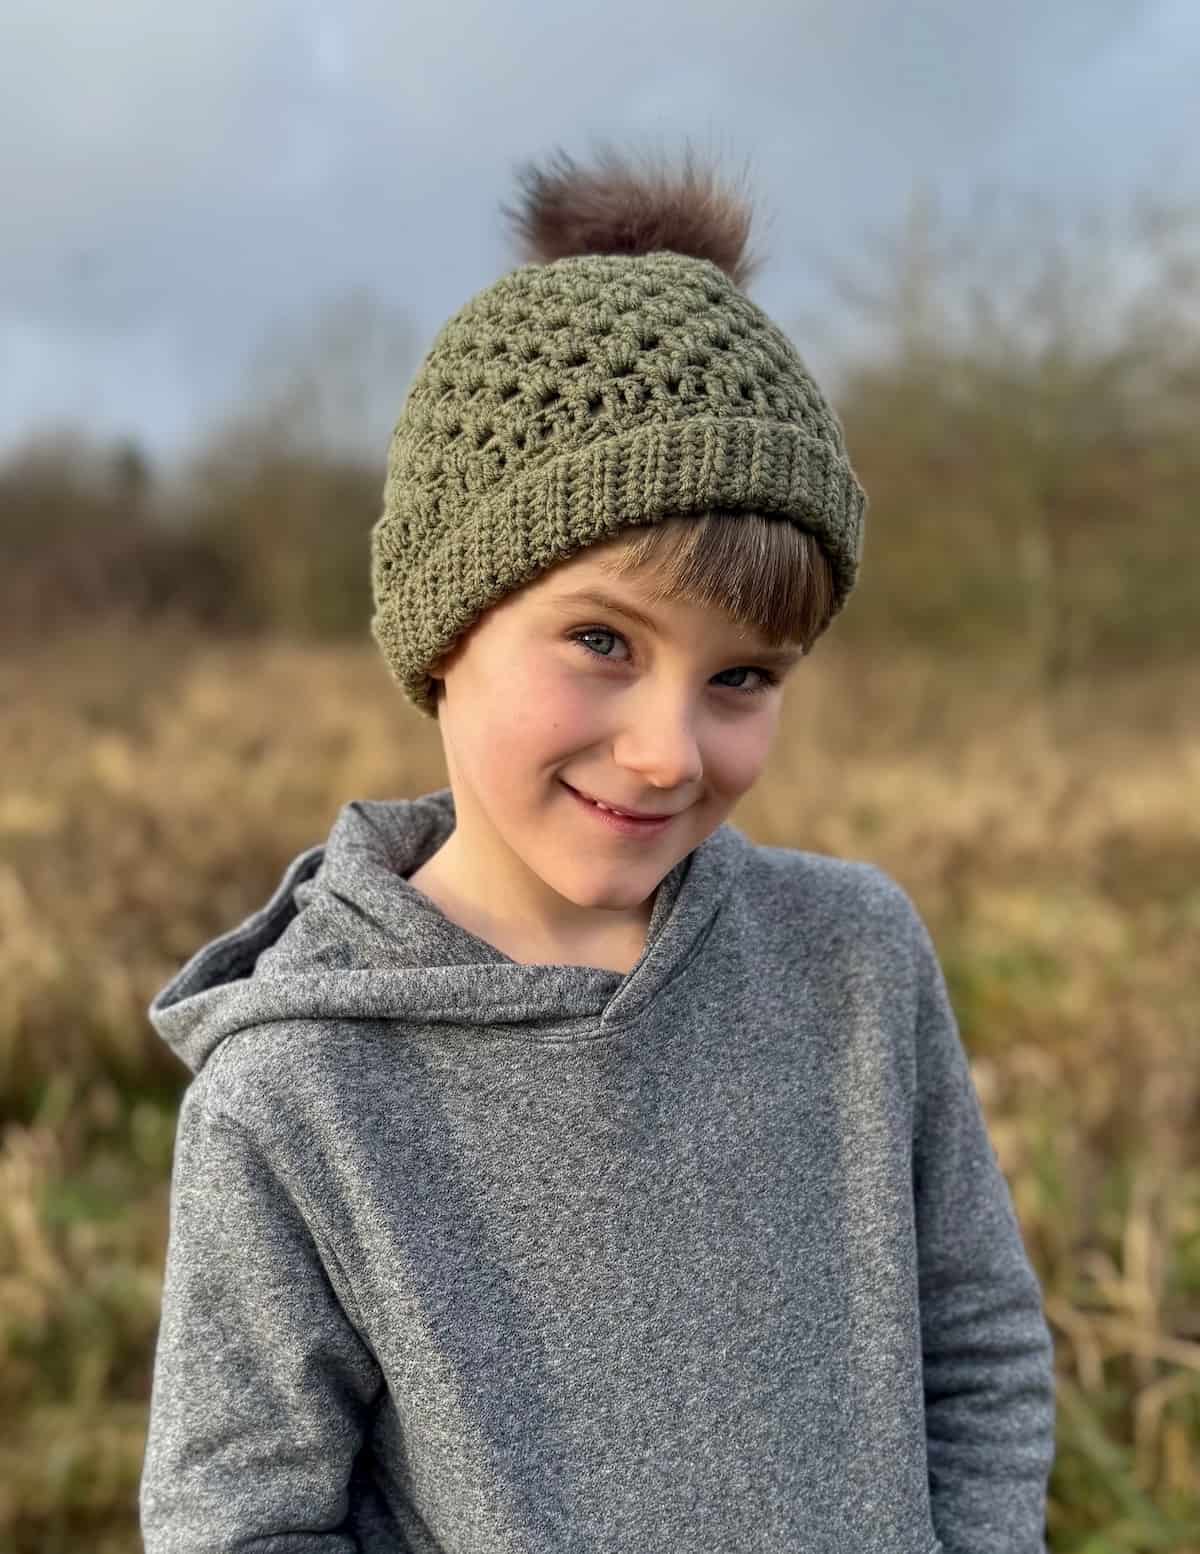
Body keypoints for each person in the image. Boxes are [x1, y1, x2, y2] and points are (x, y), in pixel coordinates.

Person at [139, 144, 1056, 1553]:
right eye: (602, 642)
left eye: (744, 675)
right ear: (445, 623)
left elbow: (980, 1355)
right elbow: (240, 1520)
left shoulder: (855, 963)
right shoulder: (296, 1093)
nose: (668, 750)